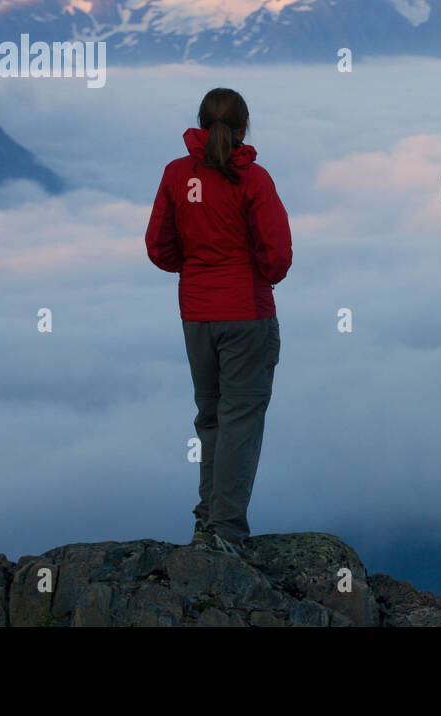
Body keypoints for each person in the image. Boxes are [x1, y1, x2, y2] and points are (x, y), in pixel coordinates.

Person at [145, 88, 292, 557]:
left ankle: (207, 524)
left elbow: (159, 246)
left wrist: (198, 269)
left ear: (201, 124)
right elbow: (277, 254)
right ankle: (226, 532)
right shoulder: (253, 180)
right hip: (246, 314)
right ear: (244, 127)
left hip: (197, 314)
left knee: (210, 418)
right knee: (240, 421)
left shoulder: (176, 174)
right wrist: (256, 275)